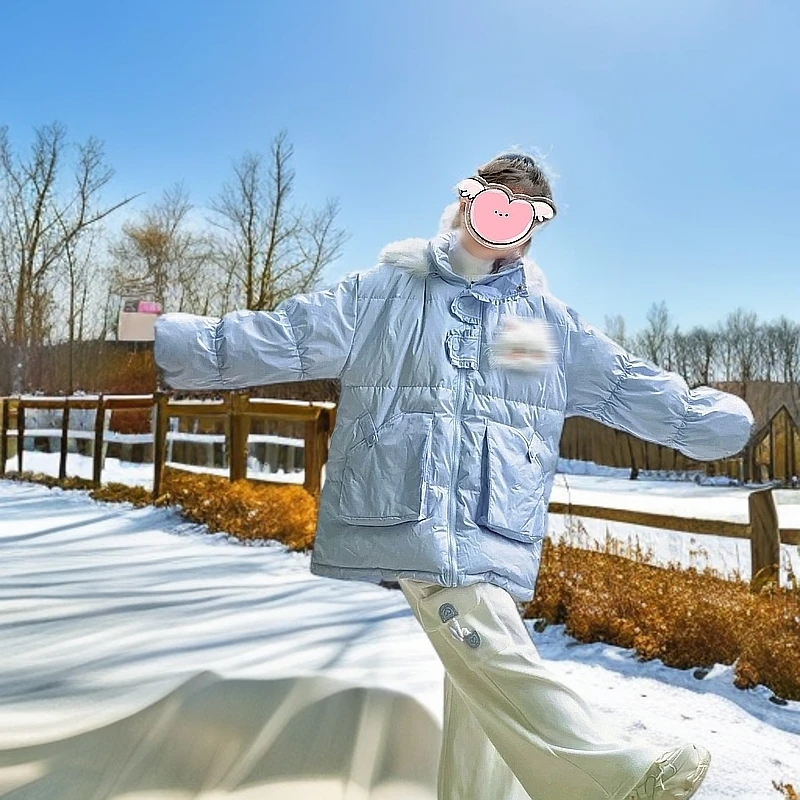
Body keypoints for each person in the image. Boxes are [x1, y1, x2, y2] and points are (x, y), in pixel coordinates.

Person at [154, 151, 754, 799]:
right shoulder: (387, 290)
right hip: (406, 503)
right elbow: (287, 337)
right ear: (467, 202)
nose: (506, 219)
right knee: (491, 649)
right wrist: (179, 343)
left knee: (482, 677)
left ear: (533, 227)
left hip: (497, 516)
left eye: (524, 212)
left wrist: (699, 419)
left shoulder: (539, 322)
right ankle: (608, 781)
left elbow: (621, 384)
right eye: (498, 201)